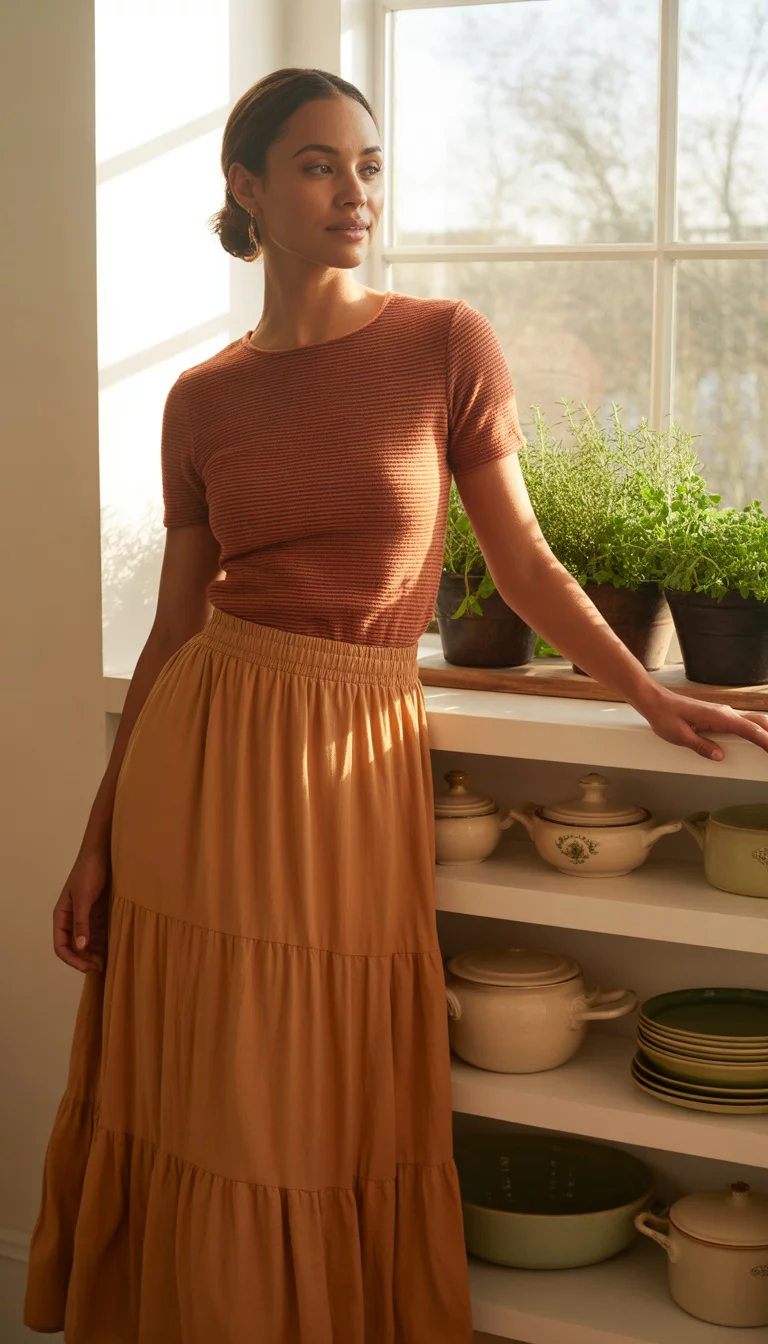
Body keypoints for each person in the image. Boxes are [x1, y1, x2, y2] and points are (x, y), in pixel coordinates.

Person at [23, 65, 768, 1344]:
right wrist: (94, 840)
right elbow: (171, 631)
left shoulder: (443, 342)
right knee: (207, 1071)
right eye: (319, 164)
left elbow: (523, 562)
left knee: (311, 1072)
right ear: (247, 188)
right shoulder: (199, 398)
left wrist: (647, 690)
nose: (355, 190)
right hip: (205, 751)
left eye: (369, 165)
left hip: (354, 749)